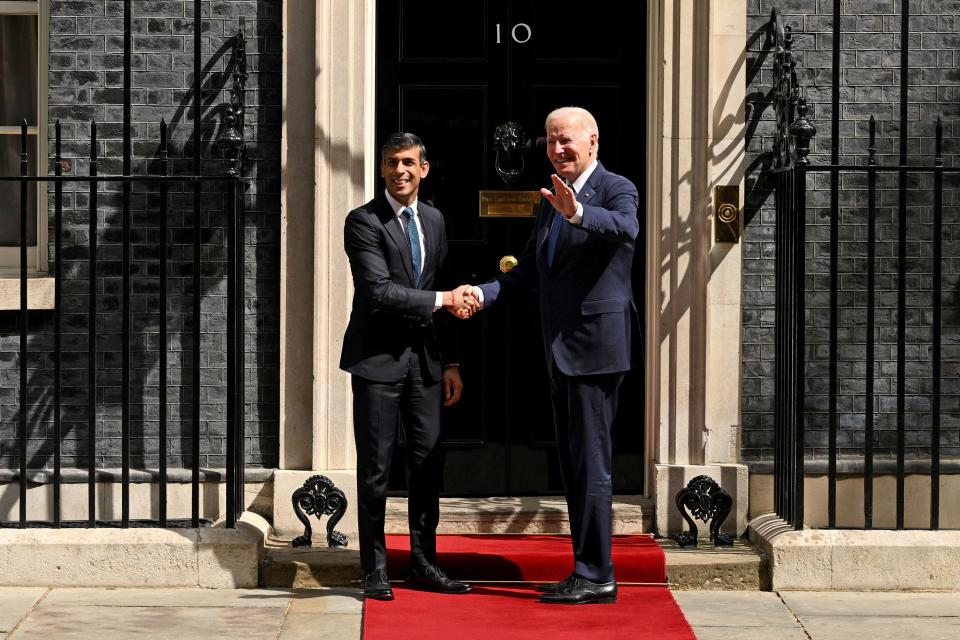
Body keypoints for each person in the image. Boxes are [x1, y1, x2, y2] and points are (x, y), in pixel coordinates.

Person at [461, 107, 640, 604]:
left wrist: (578, 214)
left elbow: (625, 228)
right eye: (551, 142)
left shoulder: (614, 188)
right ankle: (586, 569)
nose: (558, 149)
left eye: (566, 141)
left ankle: (597, 573)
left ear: (593, 141)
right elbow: (530, 272)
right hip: (560, 352)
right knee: (576, 466)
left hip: (596, 352)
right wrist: (484, 293)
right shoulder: (548, 201)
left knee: (593, 465)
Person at [341, 132, 477, 601]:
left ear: (424, 169)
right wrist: (444, 299)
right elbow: (378, 292)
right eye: (391, 163)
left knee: (427, 467)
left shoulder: (435, 220)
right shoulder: (363, 222)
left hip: (426, 365)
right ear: (382, 170)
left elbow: (442, 285)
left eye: (408, 163)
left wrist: (452, 361)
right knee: (376, 469)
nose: (400, 170)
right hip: (377, 362)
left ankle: (423, 563)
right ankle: (375, 568)